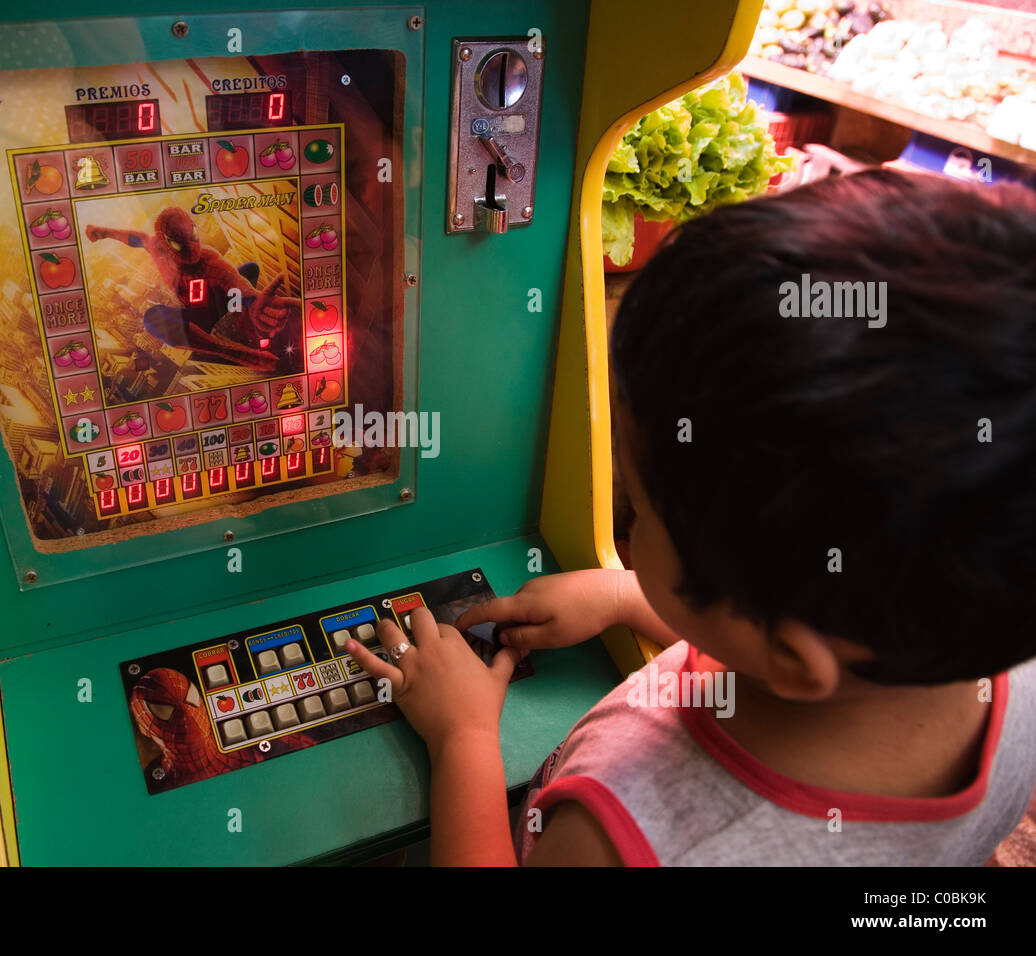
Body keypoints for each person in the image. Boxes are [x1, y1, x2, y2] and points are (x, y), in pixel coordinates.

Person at [345, 169, 1036, 865]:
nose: (629, 544)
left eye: (639, 513)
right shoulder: (996, 650)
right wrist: (624, 597)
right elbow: (772, 645)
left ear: (795, 657)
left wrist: (463, 741)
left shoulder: (618, 839)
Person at [86, 206, 299, 371]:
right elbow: (136, 239)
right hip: (198, 317)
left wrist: (254, 300)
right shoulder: (157, 249)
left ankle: (247, 323)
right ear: (166, 243)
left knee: (249, 269)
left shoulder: (210, 260)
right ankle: (229, 350)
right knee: (153, 318)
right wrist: (105, 232)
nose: (191, 249)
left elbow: (236, 282)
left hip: (220, 301)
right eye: (180, 244)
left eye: (193, 237)